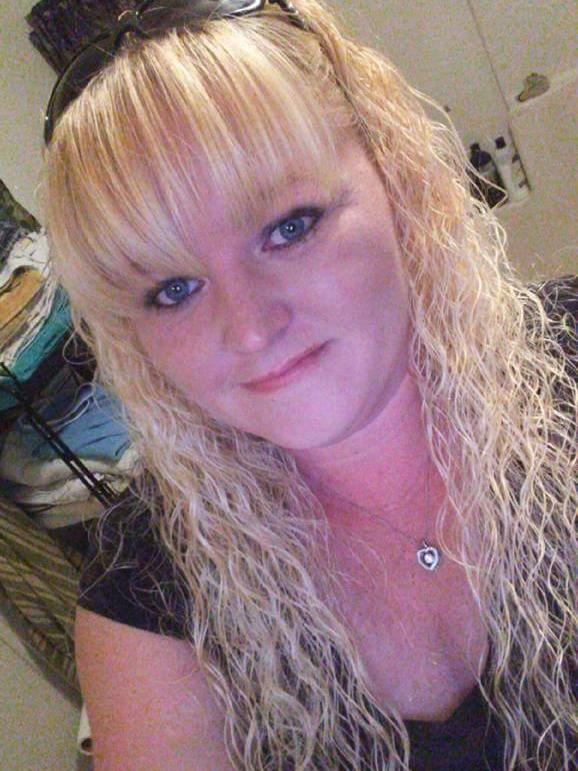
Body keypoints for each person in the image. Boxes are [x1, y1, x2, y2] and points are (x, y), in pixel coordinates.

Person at [39, 1, 577, 769]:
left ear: (394, 172)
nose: (250, 329)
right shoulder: (149, 613)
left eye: (289, 226)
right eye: (172, 289)